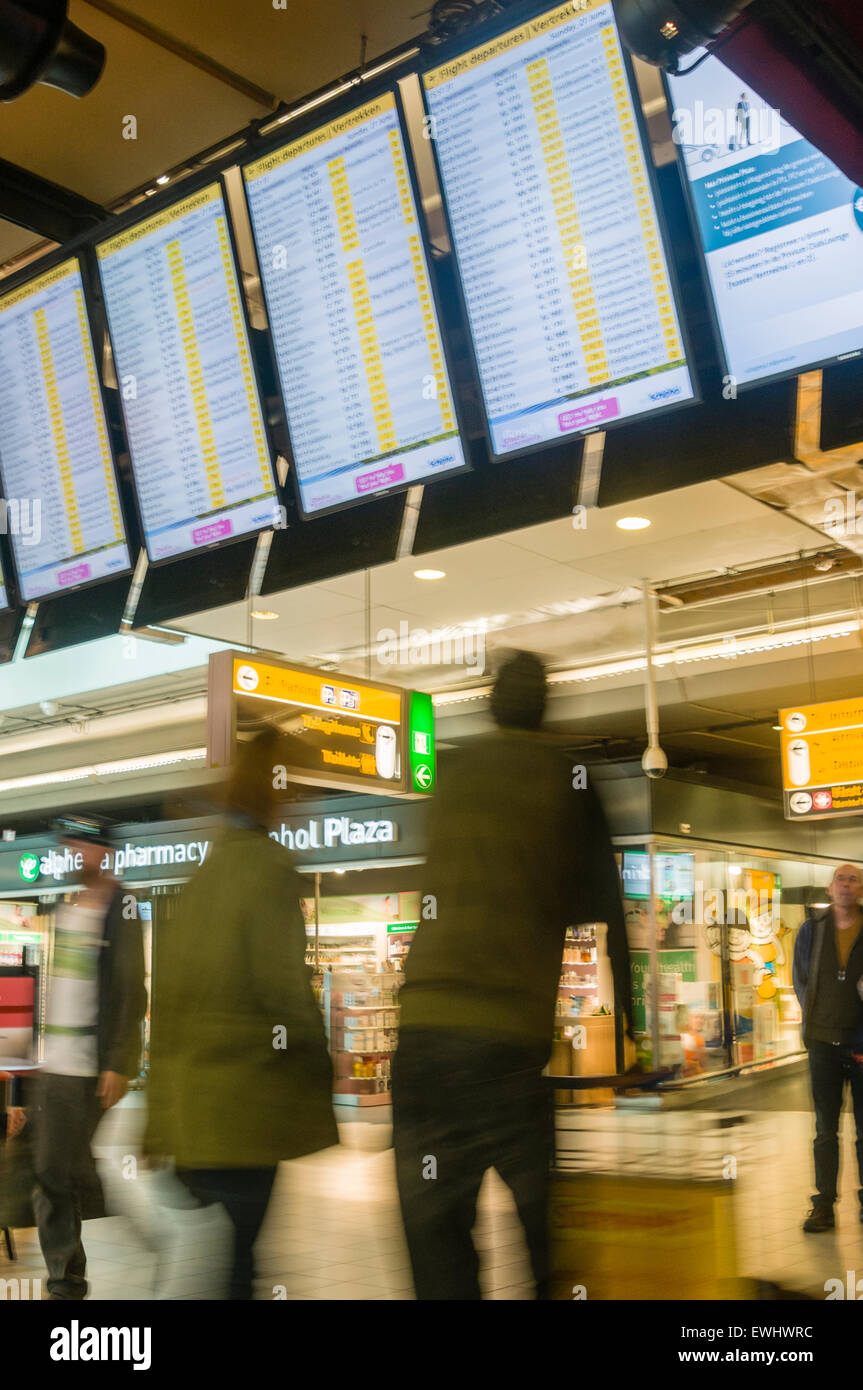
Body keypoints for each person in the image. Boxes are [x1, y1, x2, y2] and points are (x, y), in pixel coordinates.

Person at [392, 650, 633, 1299]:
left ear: (492, 702)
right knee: (542, 1233)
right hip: (502, 1042)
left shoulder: (454, 772)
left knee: (435, 1233)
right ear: (545, 705)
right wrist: (632, 1038)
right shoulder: (568, 775)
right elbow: (603, 911)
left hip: (420, 1041)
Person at [143, 729, 338, 1299]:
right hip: (245, 1109)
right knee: (237, 1265)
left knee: (218, 1260)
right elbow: (284, 991)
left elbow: (167, 1011)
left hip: (194, 1118)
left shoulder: (199, 881)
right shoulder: (270, 870)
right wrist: (318, 1067)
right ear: (277, 792)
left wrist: (158, 1121)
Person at [31, 814, 146, 1300]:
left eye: (82, 846)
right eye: (70, 846)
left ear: (105, 852)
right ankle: (74, 1269)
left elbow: (129, 989)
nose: (75, 855)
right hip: (50, 1062)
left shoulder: (123, 907)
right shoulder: (62, 907)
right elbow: (51, 988)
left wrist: (119, 1060)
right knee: (59, 1169)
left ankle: (67, 1280)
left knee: (56, 1171)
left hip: (87, 1065)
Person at [793, 863, 863, 1232]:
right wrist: (816, 1020)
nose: (847, 885)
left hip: (862, 1044)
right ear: (829, 887)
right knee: (825, 1129)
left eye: (854, 879)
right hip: (822, 1043)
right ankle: (823, 1206)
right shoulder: (811, 929)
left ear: (861, 890)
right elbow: (800, 980)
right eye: (841, 878)